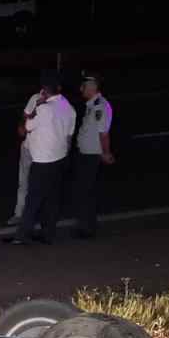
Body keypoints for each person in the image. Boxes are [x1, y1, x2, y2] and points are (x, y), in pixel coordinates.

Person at [10, 70, 74, 245]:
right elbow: (69, 137)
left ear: (44, 89)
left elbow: (24, 128)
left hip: (42, 160)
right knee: (52, 198)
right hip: (59, 158)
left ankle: (21, 235)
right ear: (59, 88)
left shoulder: (44, 108)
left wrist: (36, 107)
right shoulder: (68, 106)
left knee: (33, 198)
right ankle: (48, 233)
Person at [72, 72, 115, 238]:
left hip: (91, 156)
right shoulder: (92, 105)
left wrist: (106, 153)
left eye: (83, 86)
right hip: (86, 154)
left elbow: (103, 133)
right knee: (84, 190)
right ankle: (86, 225)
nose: (80, 89)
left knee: (86, 192)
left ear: (91, 88)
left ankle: (87, 228)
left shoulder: (99, 106)